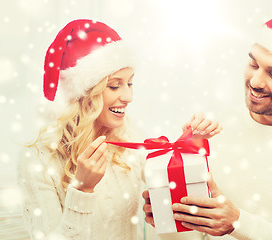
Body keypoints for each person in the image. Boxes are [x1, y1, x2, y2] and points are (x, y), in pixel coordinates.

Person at [143, 9, 272, 240]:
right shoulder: (214, 130)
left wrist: (237, 222)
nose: (255, 81)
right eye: (253, 64)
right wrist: (170, 218)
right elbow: (197, 235)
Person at [17, 19, 222, 240]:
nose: (128, 97)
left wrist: (188, 149)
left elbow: (179, 217)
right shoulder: (37, 160)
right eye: (115, 85)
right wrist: (82, 190)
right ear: (84, 92)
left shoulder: (129, 135)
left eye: (130, 83)